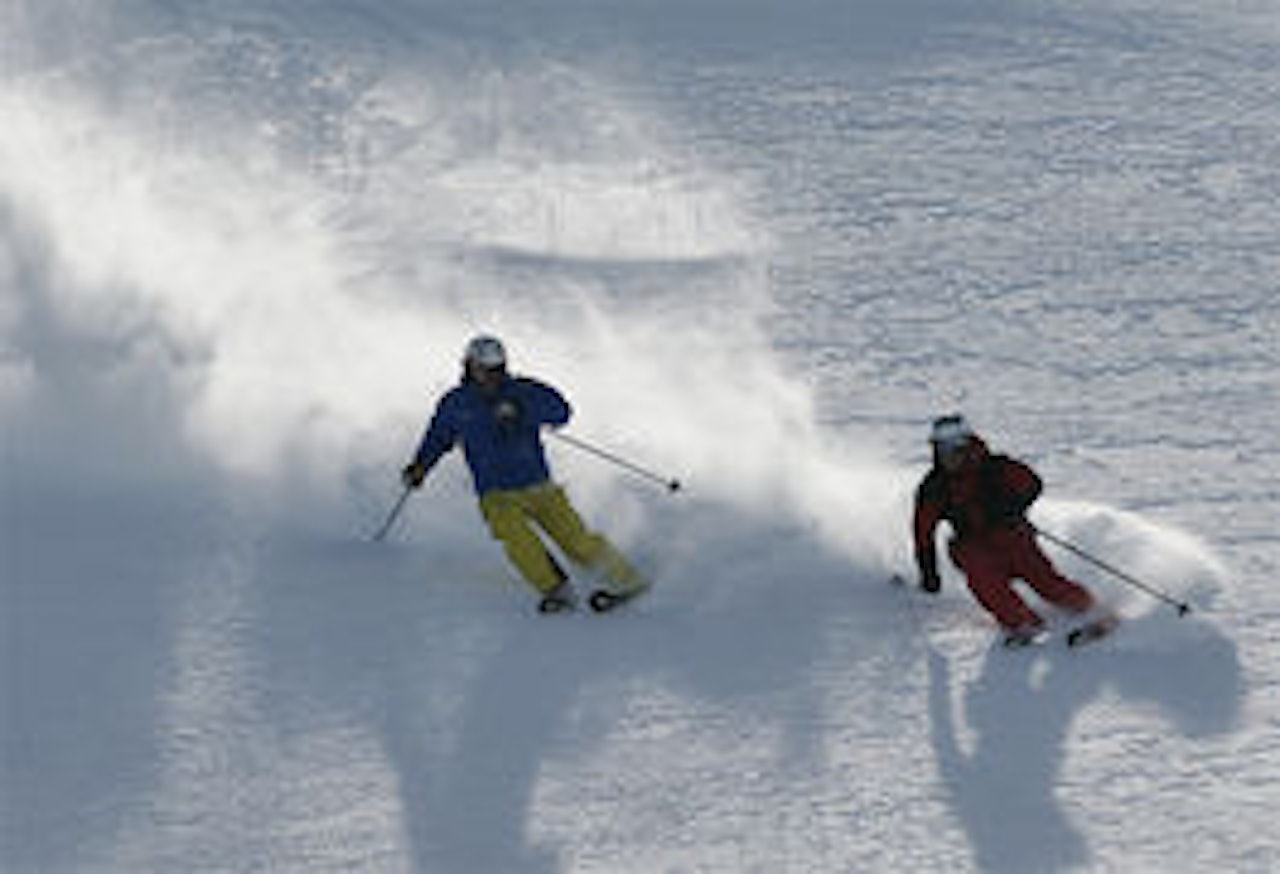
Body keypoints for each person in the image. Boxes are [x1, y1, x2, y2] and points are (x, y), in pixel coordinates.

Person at [401, 334, 649, 613]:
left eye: (496, 369)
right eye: (482, 369)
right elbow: (437, 437)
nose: (489, 376)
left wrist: (522, 410)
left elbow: (561, 411)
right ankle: (555, 589)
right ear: (469, 366)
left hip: (538, 485)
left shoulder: (521, 390)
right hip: (495, 492)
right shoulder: (456, 403)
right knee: (518, 540)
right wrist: (420, 466)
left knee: (575, 539)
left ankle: (626, 579)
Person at [912, 414, 1101, 646]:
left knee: (1046, 582)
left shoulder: (995, 467)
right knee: (984, 580)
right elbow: (923, 532)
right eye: (941, 449)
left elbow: (1033, 483)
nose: (948, 456)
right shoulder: (934, 487)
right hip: (973, 545)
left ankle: (1092, 610)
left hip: (1013, 537)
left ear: (967, 445)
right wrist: (929, 572)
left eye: (954, 448)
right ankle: (1022, 622)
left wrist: (1012, 505)